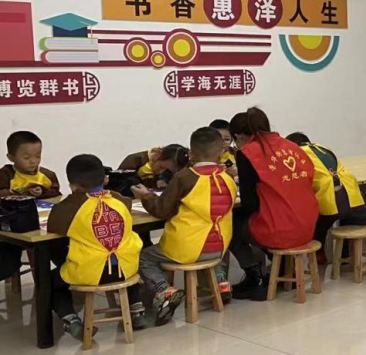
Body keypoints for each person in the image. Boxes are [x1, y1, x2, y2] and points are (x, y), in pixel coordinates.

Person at [132, 127, 237, 325]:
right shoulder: (228, 178)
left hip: (188, 247)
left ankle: (165, 290)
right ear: (220, 153)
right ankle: (220, 279)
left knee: (143, 257)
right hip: (220, 248)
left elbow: (162, 210)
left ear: (191, 154)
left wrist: (146, 196)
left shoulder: (185, 177)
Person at [47, 154, 148, 338]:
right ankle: (136, 309)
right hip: (127, 268)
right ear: (105, 179)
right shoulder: (121, 201)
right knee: (119, 255)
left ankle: (71, 320)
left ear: (73, 185)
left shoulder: (68, 208)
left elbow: (53, 226)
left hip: (89, 271)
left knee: (49, 280)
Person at [227, 108, 319, 300]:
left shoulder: (247, 154)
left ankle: (254, 277)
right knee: (268, 217)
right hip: (308, 225)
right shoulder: (292, 146)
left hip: (281, 230)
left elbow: (250, 204)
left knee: (231, 224)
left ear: (238, 136)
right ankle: (282, 267)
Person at [285, 133, 366, 269]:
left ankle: (320, 255)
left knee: (317, 226)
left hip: (329, 199)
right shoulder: (322, 148)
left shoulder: (298, 155)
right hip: (351, 193)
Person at [1, 131, 61, 198]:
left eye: (38, 156)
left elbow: (57, 193)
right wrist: (23, 192)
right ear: (11, 158)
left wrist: (43, 191)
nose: (33, 161)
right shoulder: (5, 175)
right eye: (27, 157)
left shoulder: (48, 175)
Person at [118, 144, 190, 188]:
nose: (161, 172)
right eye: (161, 167)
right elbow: (118, 184)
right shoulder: (134, 160)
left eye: (167, 171)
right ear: (158, 154)